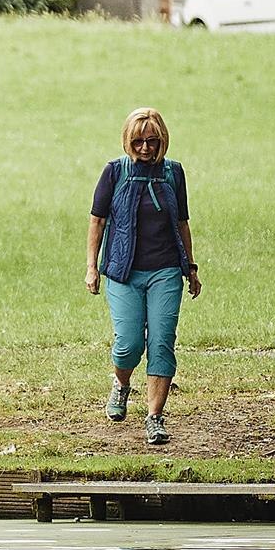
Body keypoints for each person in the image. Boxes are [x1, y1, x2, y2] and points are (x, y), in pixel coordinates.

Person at [87, 107, 200, 446]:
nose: (146, 148)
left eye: (152, 141)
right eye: (138, 142)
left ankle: (154, 417)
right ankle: (122, 384)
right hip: (124, 272)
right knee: (129, 344)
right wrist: (92, 267)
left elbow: (182, 223)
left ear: (162, 140)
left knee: (162, 342)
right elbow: (97, 221)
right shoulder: (115, 172)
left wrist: (191, 267)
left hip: (165, 271)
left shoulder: (173, 173)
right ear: (127, 141)